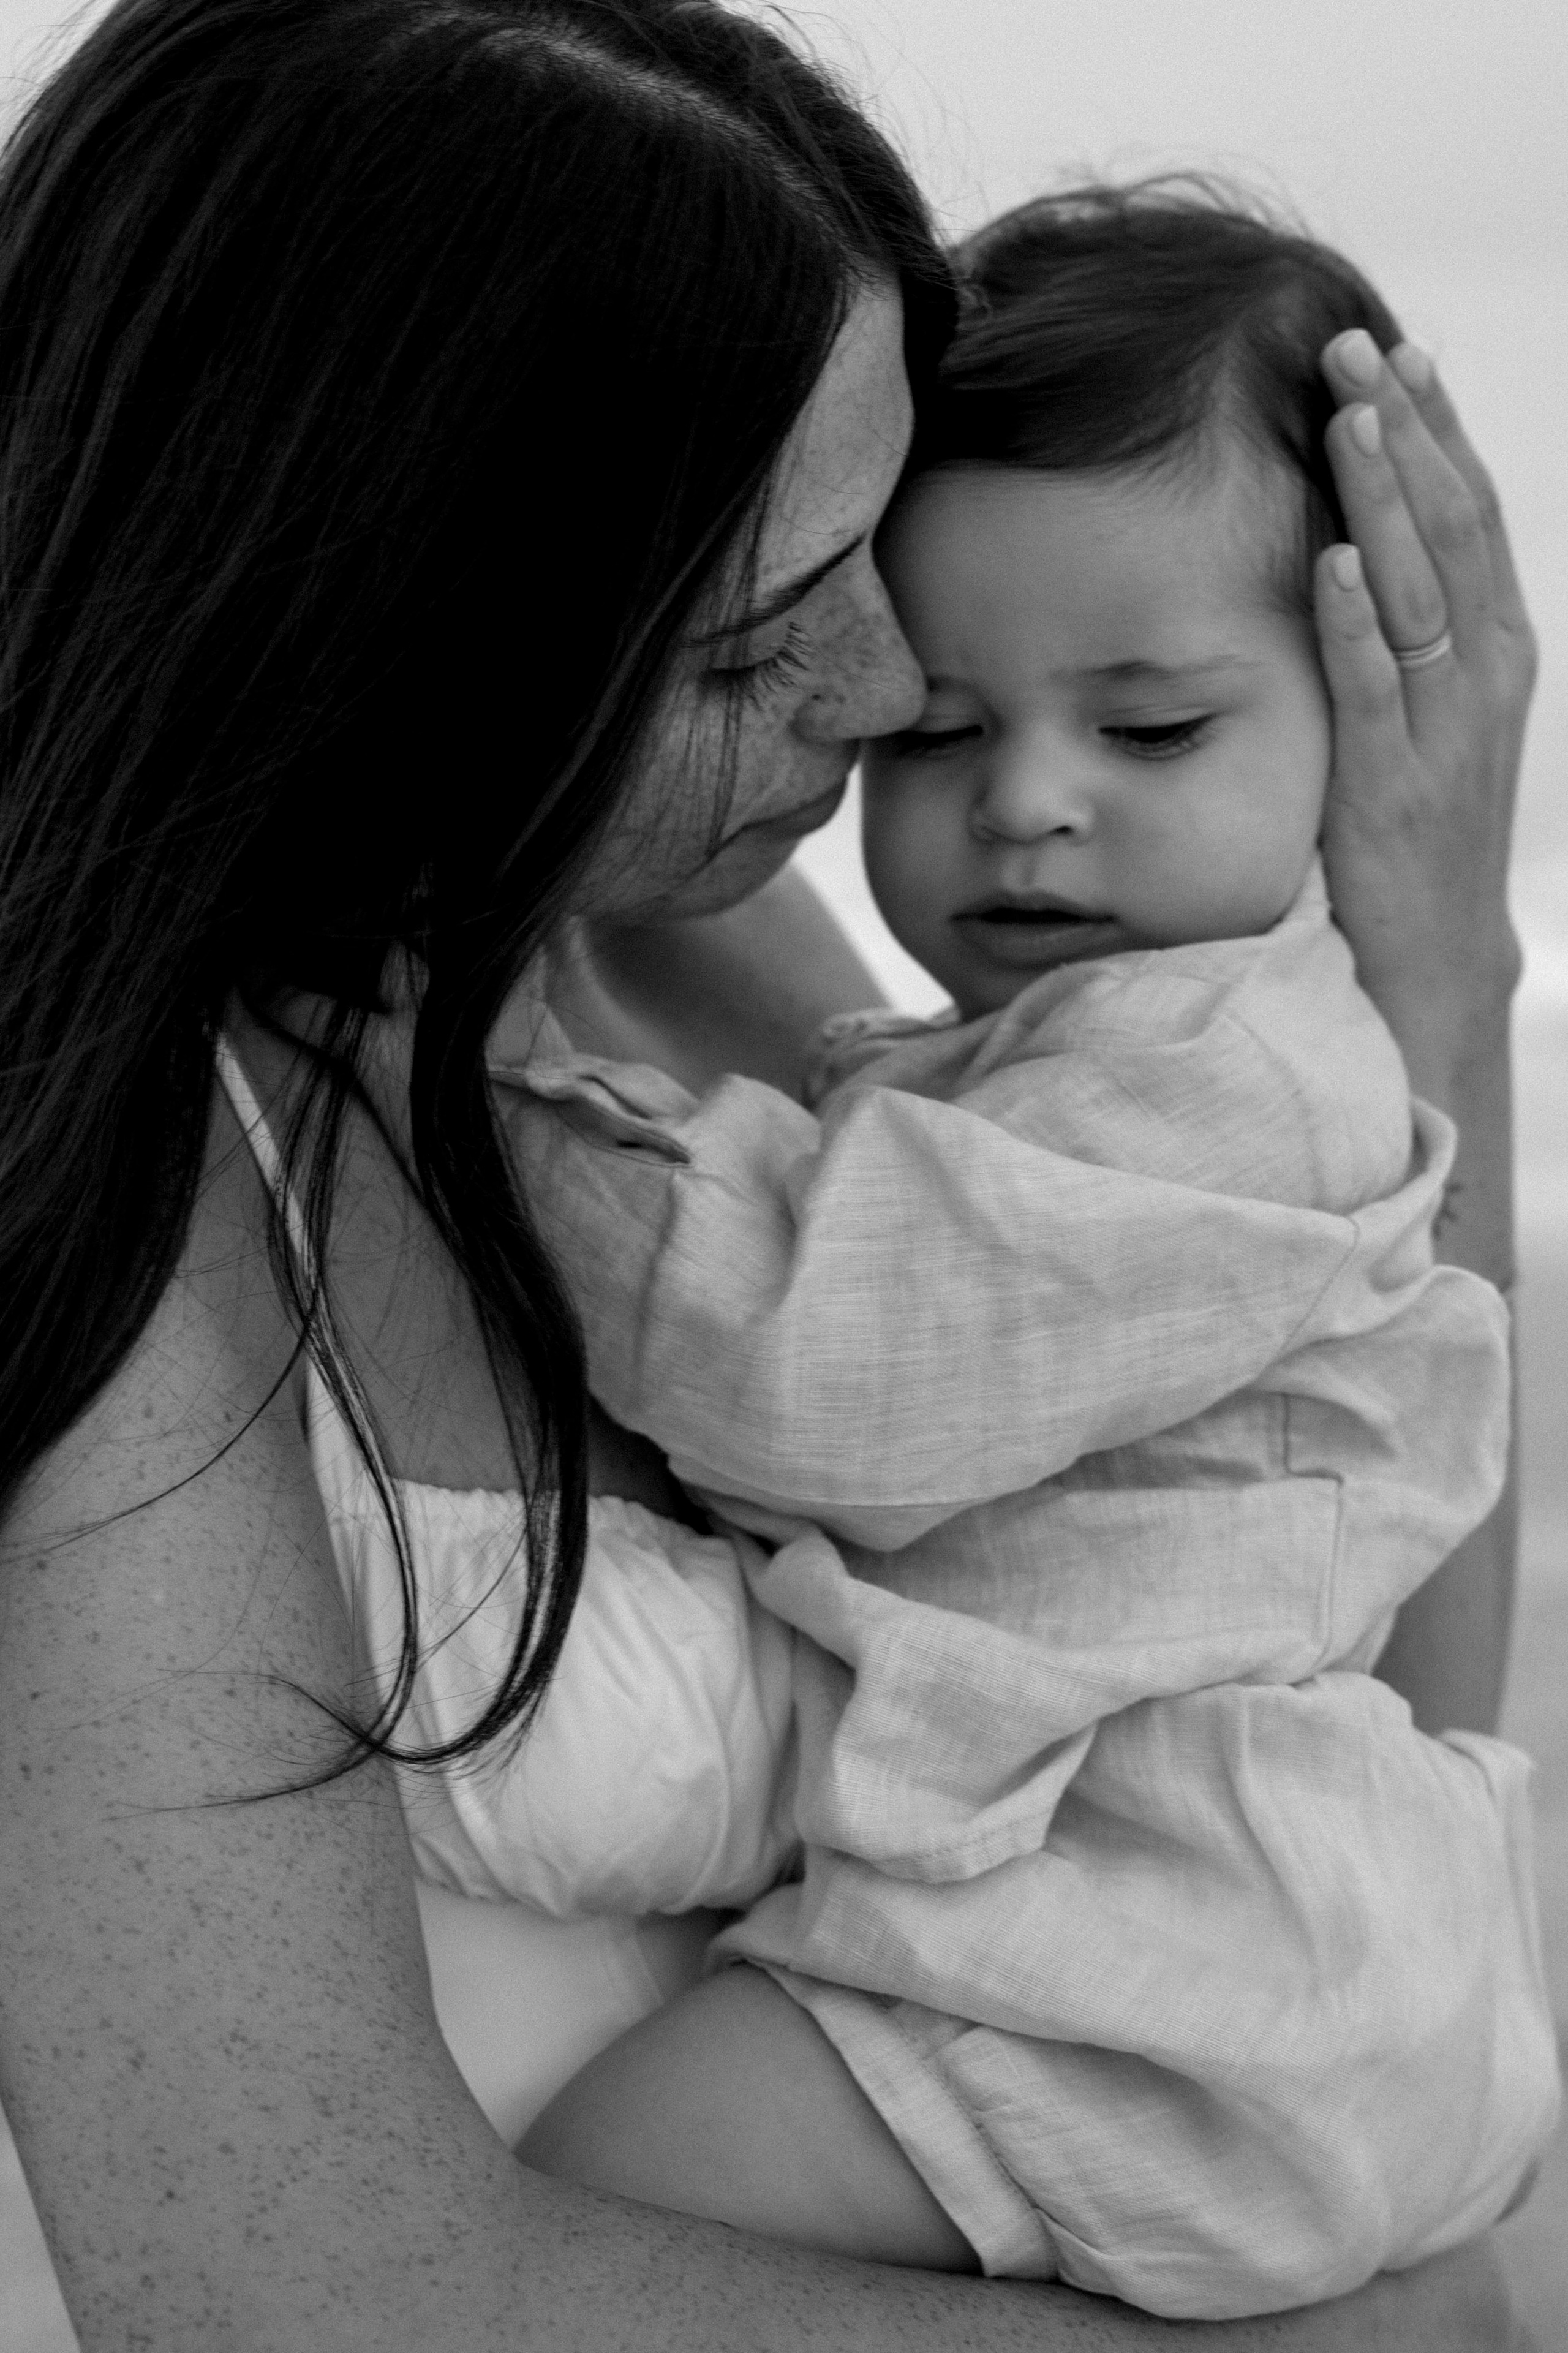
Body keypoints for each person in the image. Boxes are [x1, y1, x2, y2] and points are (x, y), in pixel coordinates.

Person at [0, 1, 1535, 2347]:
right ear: (392, 608)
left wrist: (1430, 956)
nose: (880, 677)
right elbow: (285, 2293)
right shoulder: (108, 1181)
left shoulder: (698, 951)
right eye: (753, 629)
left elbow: (1318, 1626)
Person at [407, 184, 1555, 2317]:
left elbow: (810, 1356)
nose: (1025, 800)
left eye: (1150, 730)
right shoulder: (1016, 1059)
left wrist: (498, 1097)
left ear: (1359, 719)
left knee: (602, 2192)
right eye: (937, 730)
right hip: (1230, 1947)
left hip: (1170, 1947)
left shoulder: (1216, 1077)